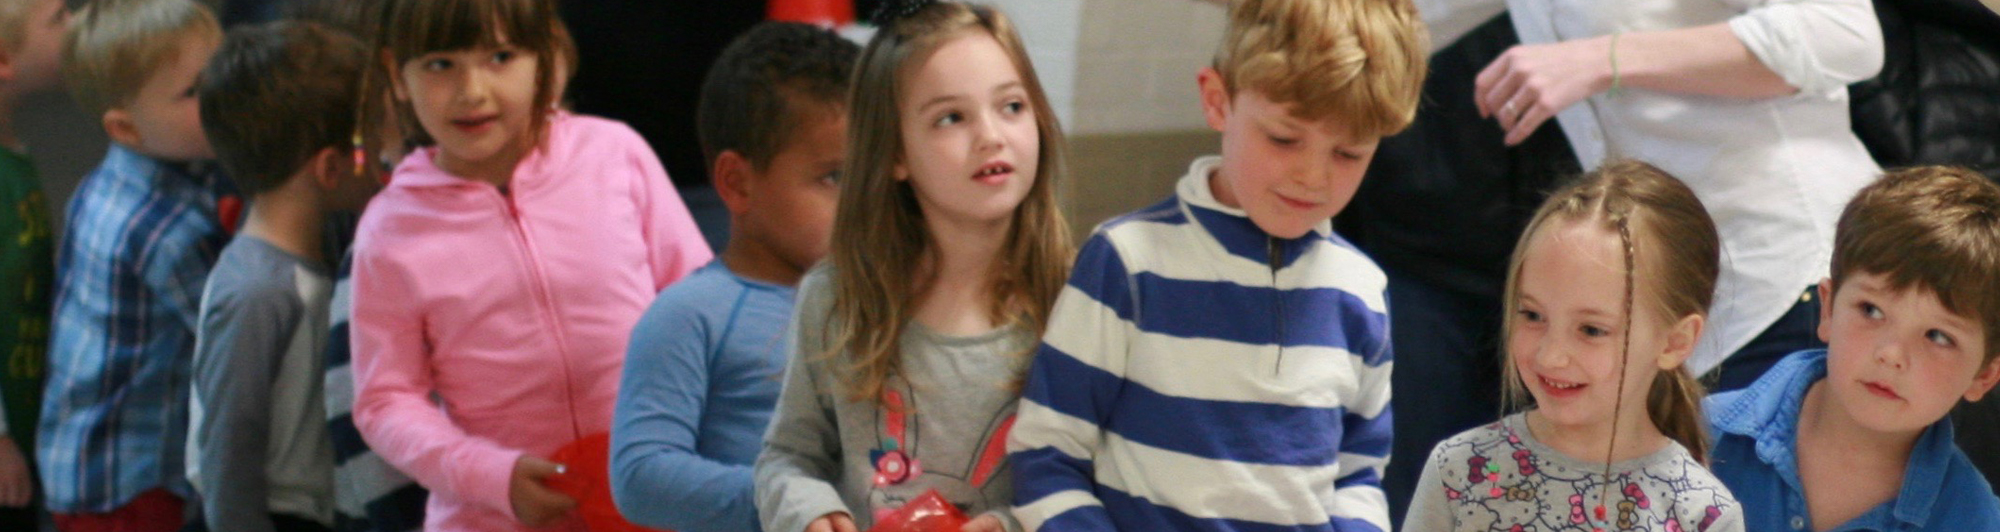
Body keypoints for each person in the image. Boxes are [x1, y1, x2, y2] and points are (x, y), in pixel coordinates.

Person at [1007, 0, 1428, 530]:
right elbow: (1048, 455)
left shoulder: (1361, 291)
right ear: (1217, 101)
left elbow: (1358, 477)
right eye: (1283, 138)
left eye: (1349, 154)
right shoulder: (1127, 262)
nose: (1313, 177)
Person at [347, 0, 711, 529]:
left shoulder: (614, 154)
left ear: (546, 57)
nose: (472, 91)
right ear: (395, 76)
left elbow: (699, 305)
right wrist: (492, 476)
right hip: (491, 515)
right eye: (440, 64)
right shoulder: (390, 229)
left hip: (655, 496)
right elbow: (386, 400)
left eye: (500, 56)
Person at [750, 2, 1074, 531]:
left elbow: (1106, 475)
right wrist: (811, 510)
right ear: (894, 154)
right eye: (951, 118)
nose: (991, 135)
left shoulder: (1080, 298)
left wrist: (1015, 524)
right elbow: (789, 456)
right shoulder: (835, 298)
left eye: (1011, 106)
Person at [609, 21, 857, 532]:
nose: (863, 205)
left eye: (872, 177)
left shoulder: (886, 301)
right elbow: (641, 474)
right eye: (833, 178)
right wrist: (792, 500)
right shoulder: (690, 314)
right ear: (738, 183)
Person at [1404, 161, 1743, 532]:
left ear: (1675, 342)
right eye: (1532, 315)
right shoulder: (1460, 470)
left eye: (1592, 330)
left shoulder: (1701, 512)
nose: (1550, 355)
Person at [1706, 166, 2000, 531]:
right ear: (1827, 308)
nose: (1891, 354)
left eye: (1938, 336)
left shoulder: (1975, 521)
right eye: (1871, 310)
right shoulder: (1693, 437)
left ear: (1985, 374)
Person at [38, 1, 229, 529]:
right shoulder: (165, 231)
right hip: (126, 482)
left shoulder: (103, 182)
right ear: (125, 128)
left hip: (79, 459)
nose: (220, 96)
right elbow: (231, 330)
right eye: (193, 92)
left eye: (220, 72)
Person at [183, 20, 376, 532]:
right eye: (368, 146)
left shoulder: (325, 246)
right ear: (330, 169)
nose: (381, 160)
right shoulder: (258, 293)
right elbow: (228, 453)